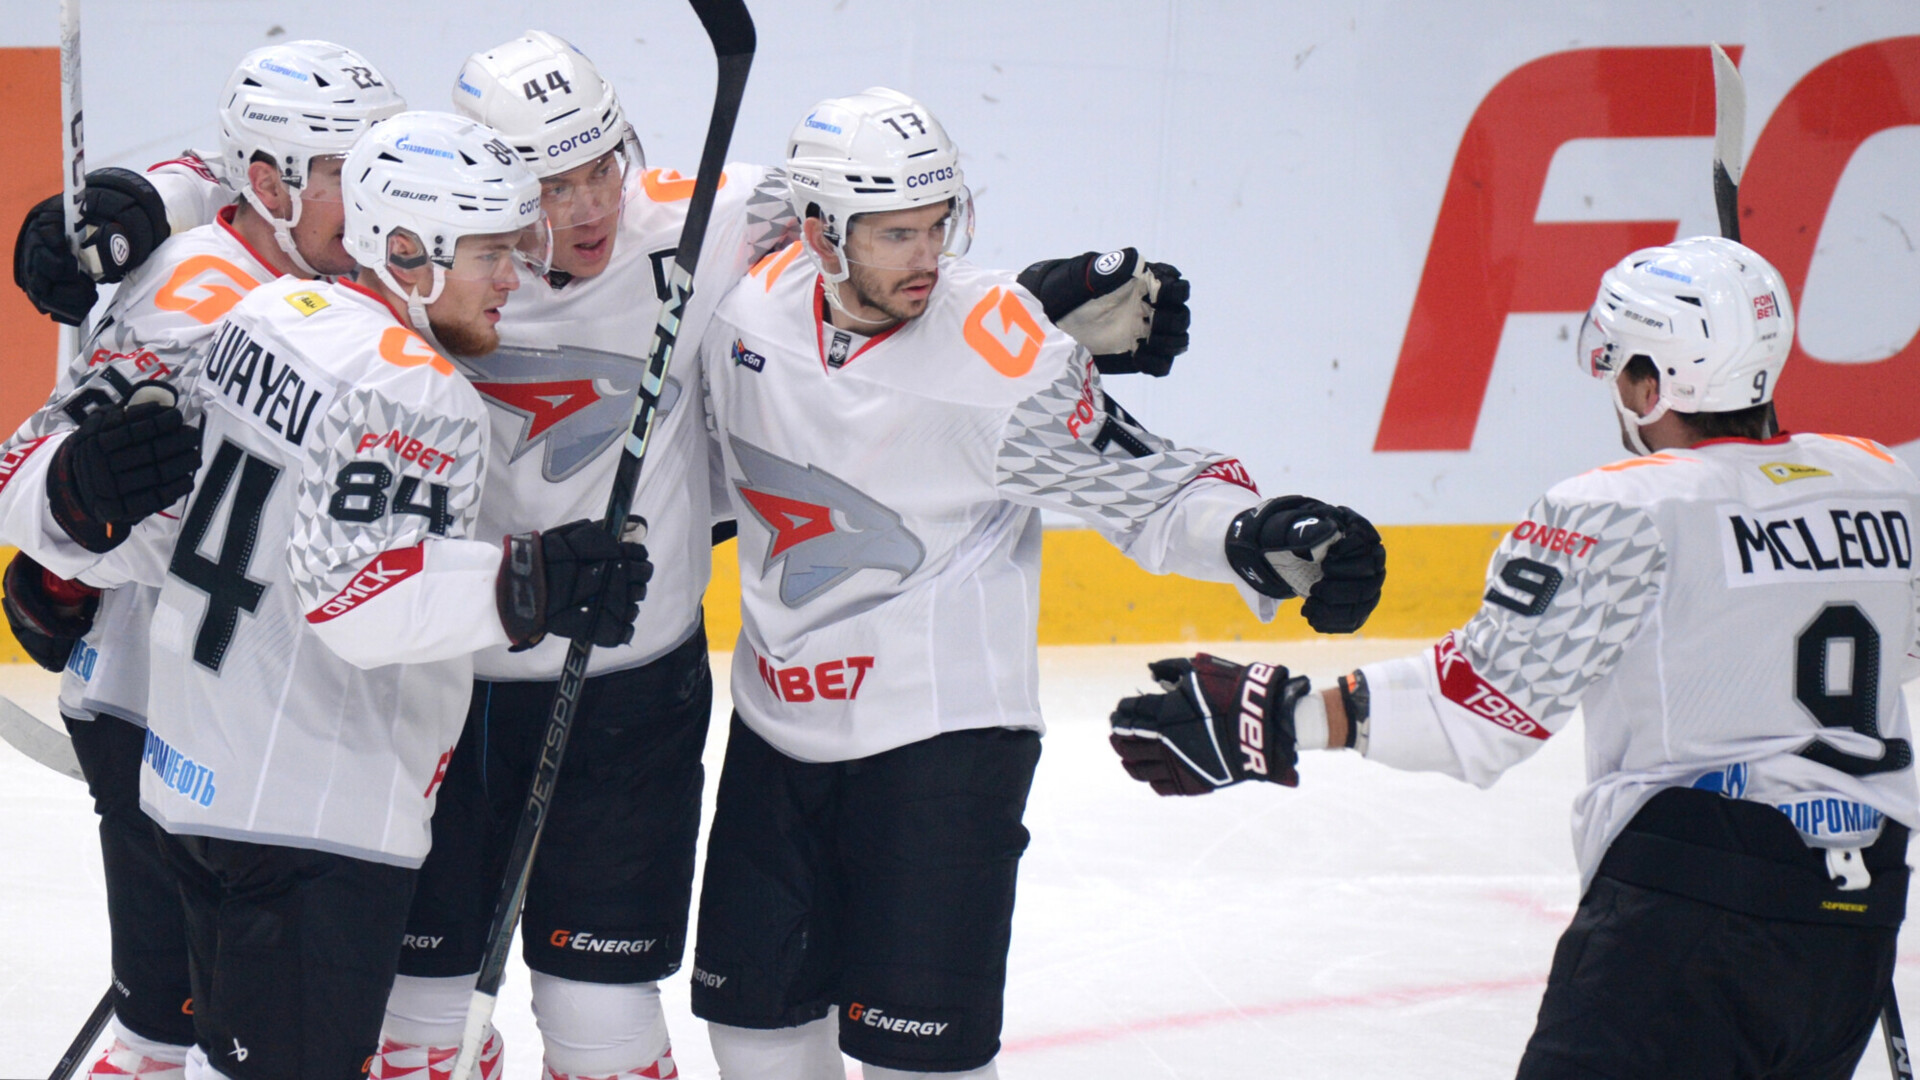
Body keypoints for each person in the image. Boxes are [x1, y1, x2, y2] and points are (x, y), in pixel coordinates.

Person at [373, 34, 1204, 1080]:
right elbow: (258, 220)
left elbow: (878, 244)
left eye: (602, 167)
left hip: (633, 690)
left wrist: (1040, 295)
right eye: (552, 187)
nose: (590, 208)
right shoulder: (409, 246)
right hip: (449, 682)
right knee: (414, 1014)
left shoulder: (708, 216)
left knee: (599, 1016)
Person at [690, 87, 1386, 1080]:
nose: (927, 256)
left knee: (917, 1064)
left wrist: (1259, 533)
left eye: (939, 225)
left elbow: (1148, 490)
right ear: (819, 234)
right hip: (774, 729)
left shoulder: (999, 363)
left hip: (940, 742)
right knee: (753, 1039)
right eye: (895, 234)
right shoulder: (740, 308)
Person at [1108, 236, 1920, 1078]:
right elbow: (1900, 646)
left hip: (1687, 925)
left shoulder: (1626, 509)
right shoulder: (1881, 482)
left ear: (1653, 385)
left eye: (1623, 372)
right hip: (1852, 932)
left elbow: (1480, 705)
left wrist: (1279, 717)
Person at [8, 111, 652, 1080]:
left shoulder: (267, 315)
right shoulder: (417, 388)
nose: (513, 281)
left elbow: (159, 518)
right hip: (312, 811)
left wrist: (71, 517)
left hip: (192, 779)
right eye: (490, 254)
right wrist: (533, 586)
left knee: (219, 1061)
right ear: (408, 253)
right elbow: (356, 597)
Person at [0, 41, 404, 1080]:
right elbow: (25, 470)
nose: (378, 191)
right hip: (160, 712)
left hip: (262, 710)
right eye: (345, 170)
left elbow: (195, 178)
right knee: (173, 1035)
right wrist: (78, 500)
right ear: (269, 183)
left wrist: (142, 192)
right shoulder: (196, 296)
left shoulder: (341, 262)